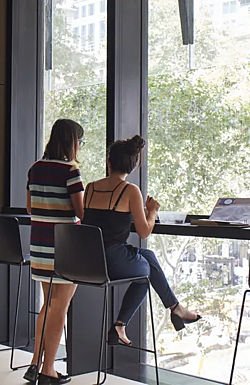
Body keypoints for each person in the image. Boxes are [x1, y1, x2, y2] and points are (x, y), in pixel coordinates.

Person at [82, 135, 201, 346]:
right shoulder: (130, 190)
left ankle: (174, 308)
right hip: (110, 259)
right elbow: (144, 231)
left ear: (108, 162)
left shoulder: (90, 187)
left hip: (87, 259)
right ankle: (124, 323)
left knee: (149, 256)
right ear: (133, 166)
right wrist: (152, 211)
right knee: (145, 273)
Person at [24, 119, 85, 385]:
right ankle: (49, 370)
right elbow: (81, 212)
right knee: (60, 307)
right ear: (72, 142)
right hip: (63, 248)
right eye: (80, 141)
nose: (80, 147)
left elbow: (29, 208)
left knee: (47, 305)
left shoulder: (35, 168)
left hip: (39, 245)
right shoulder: (70, 171)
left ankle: (35, 363)